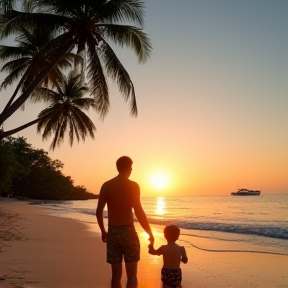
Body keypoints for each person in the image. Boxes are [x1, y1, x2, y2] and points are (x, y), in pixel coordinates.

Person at [96, 156, 154, 288]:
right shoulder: (133, 186)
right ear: (129, 168)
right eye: (131, 168)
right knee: (132, 276)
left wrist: (103, 231)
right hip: (128, 231)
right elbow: (138, 211)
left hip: (113, 232)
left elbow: (99, 211)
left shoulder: (107, 185)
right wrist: (149, 232)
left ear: (117, 168)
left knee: (115, 276)